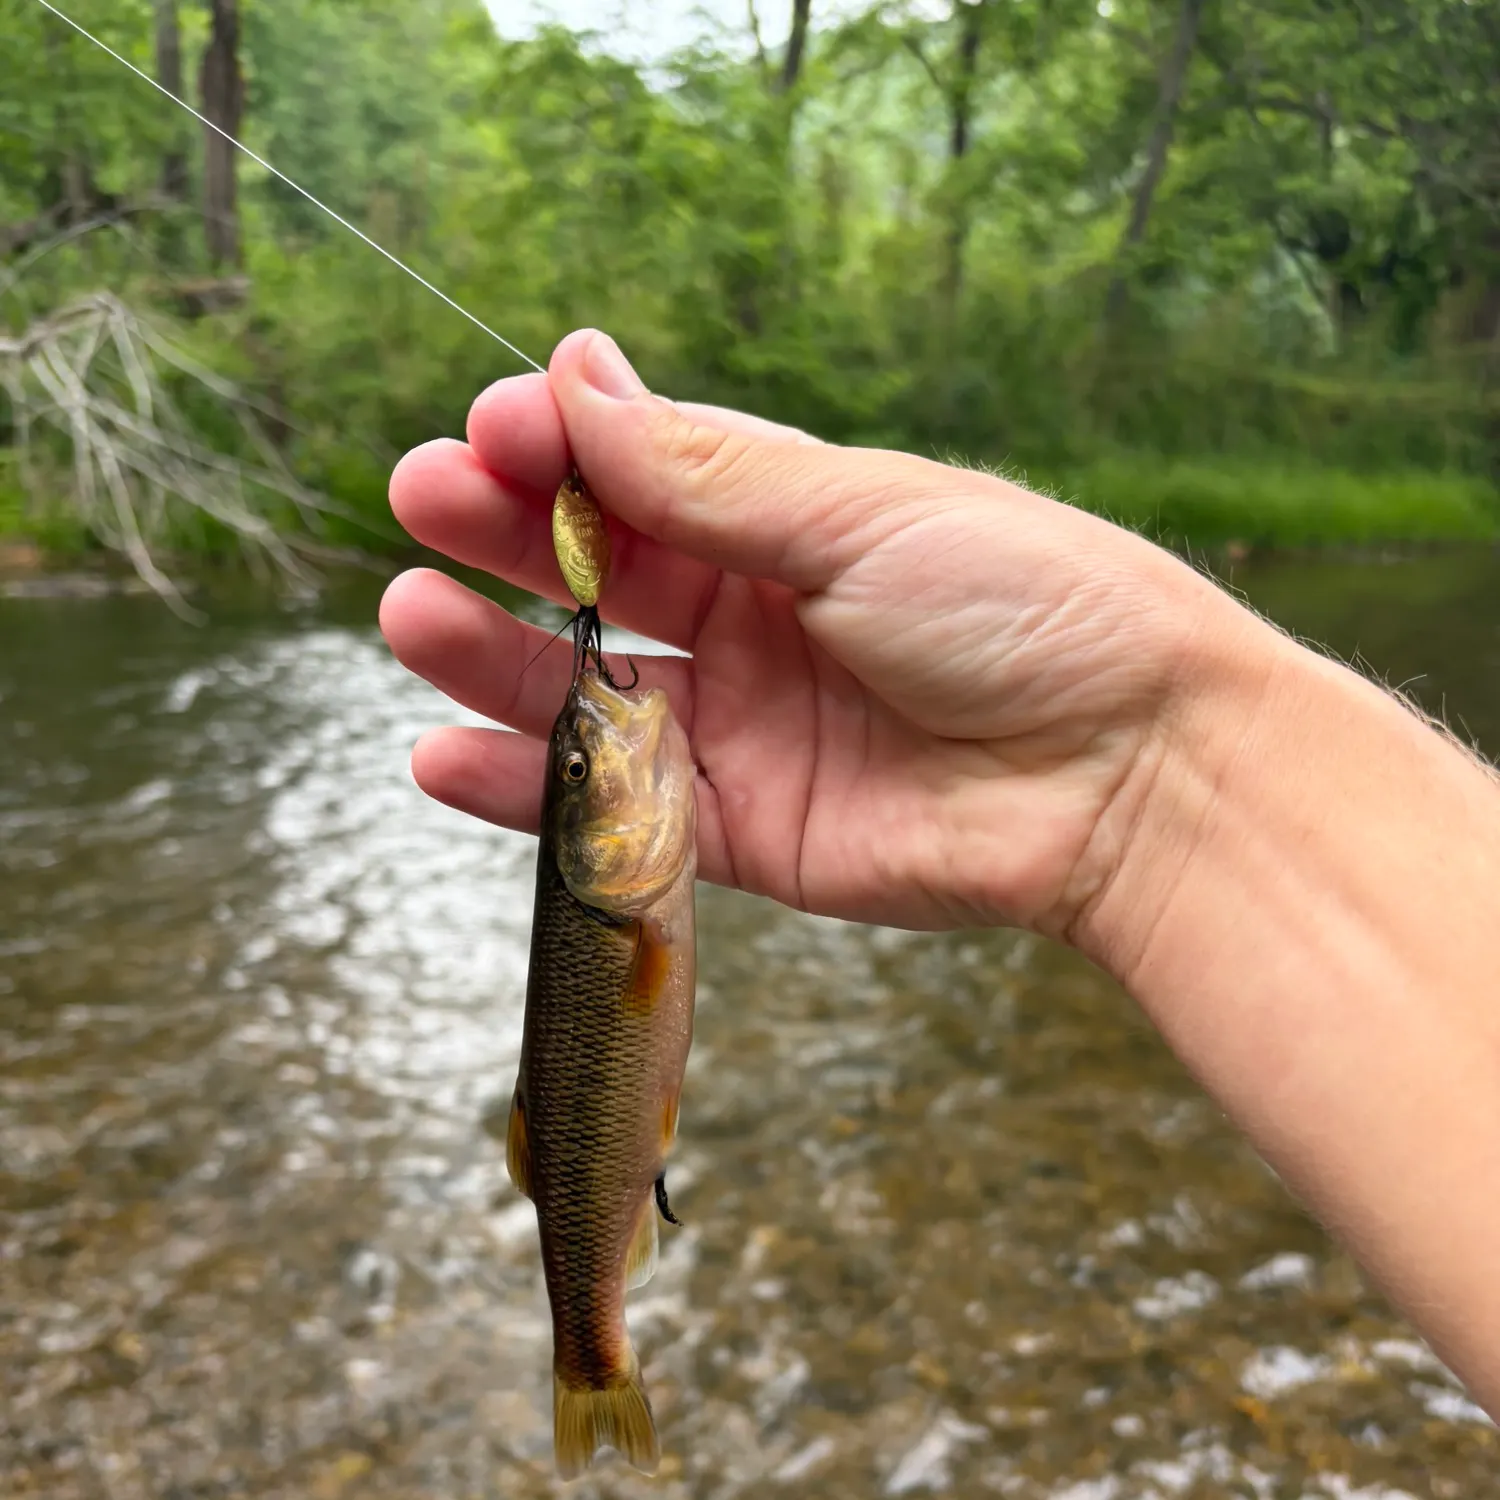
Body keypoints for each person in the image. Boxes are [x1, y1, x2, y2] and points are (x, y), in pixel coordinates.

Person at [379, 328, 1500, 1421]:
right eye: (587, 768)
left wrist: (1153, 759)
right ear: (590, 850)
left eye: (576, 766)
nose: (596, 751)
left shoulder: (633, 892)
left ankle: (594, 1353)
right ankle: (595, 1360)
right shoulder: (625, 901)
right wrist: (1156, 777)